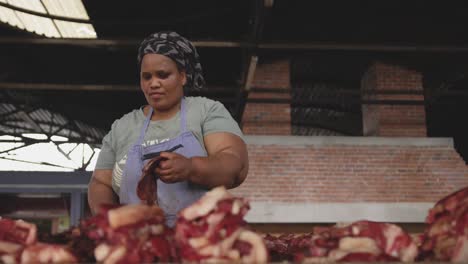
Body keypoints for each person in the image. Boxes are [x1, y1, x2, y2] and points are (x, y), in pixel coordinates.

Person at [87, 31, 248, 226]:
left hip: (199, 242)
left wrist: (191, 168)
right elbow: (100, 183)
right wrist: (108, 221)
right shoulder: (122, 127)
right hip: (138, 244)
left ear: (182, 76)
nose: (153, 83)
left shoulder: (205, 111)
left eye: (163, 75)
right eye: (147, 77)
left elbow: (234, 165)